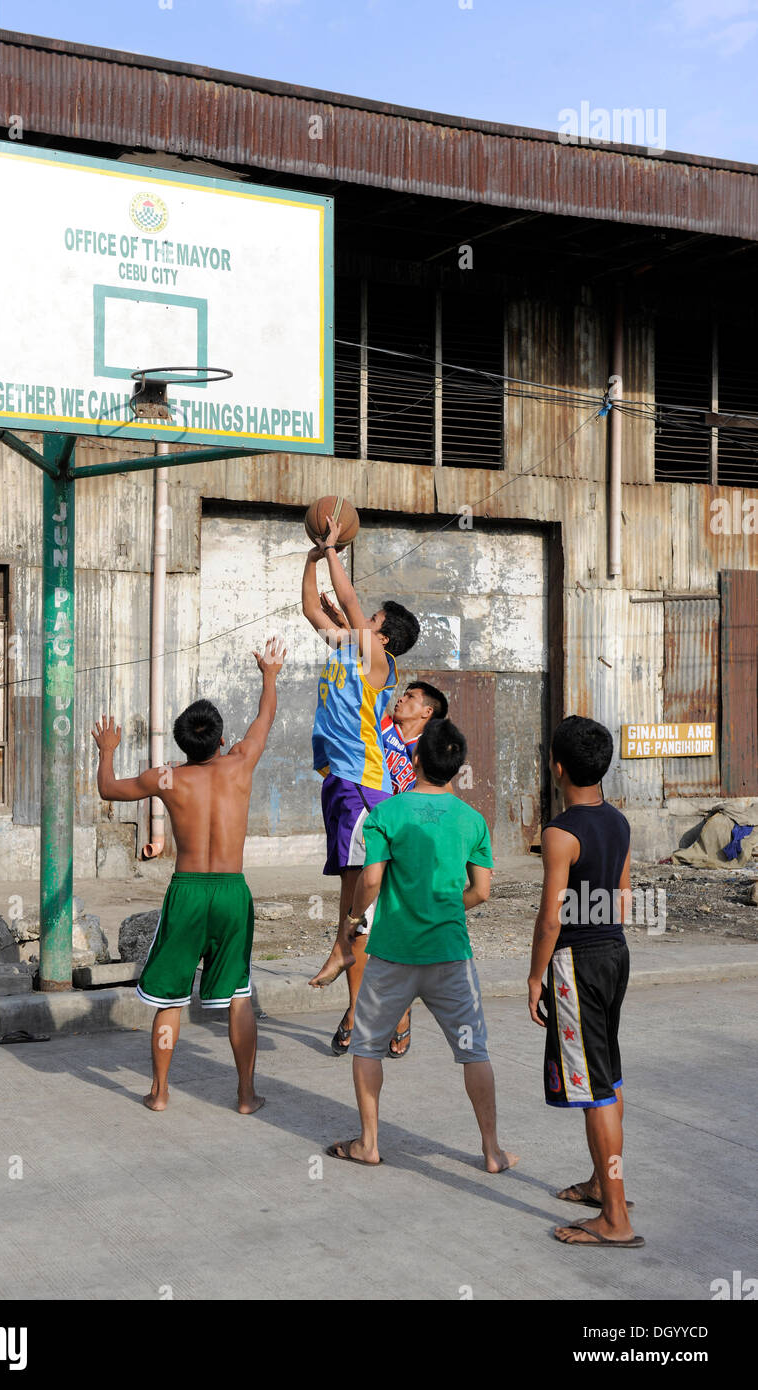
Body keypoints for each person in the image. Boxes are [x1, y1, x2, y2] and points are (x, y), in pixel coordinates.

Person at [91, 638, 285, 1116]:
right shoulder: (241, 763)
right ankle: (245, 1095)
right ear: (220, 739)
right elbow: (265, 720)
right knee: (240, 995)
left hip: (188, 891)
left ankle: (159, 1092)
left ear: (183, 743)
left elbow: (109, 789)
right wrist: (269, 674)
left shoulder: (168, 779)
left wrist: (107, 749)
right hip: (232, 891)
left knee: (171, 997)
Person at [326, 717, 518, 1173]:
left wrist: (353, 921)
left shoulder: (386, 814)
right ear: (457, 766)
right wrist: (445, 908)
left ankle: (368, 1144)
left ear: (414, 758)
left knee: (368, 1047)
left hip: (392, 955)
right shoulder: (473, 820)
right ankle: (491, 1151)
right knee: (474, 1051)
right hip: (450, 956)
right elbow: (482, 892)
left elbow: (370, 880)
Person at [301, 513, 420, 1060]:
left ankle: (345, 966)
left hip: (363, 786)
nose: (360, 615)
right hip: (340, 782)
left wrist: (332, 549)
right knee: (360, 905)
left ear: (385, 633)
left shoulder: (379, 659)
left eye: (370, 617)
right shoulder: (349, 647)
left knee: (356, 902)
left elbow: (347, 603)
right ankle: (363, 984)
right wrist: (311, 559)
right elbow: (313, 608)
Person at [527, 715, 644, 1247]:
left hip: (576, 960)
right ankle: (602, 1184)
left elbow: (551, 917)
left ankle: (615, 1219)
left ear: (557, 767)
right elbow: (622, 894)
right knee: (609, 1075)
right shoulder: (618, 822)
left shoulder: (559, 832)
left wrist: (535, 976)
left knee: (594, 1087)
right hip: (614, 950)